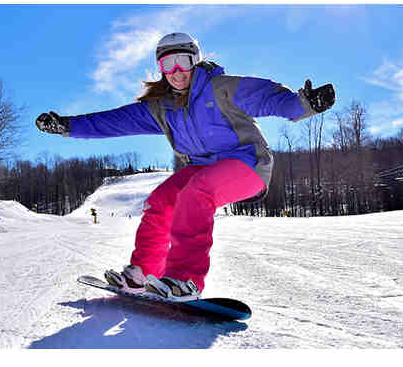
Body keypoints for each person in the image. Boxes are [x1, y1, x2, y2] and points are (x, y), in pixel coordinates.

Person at [36, 32, 335, 299]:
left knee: (196, 191)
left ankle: (185, 279)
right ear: (161, 69)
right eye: (168, 65)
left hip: (248, 164)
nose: (177, 71)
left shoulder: (220, 88)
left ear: (195, 61)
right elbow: (113, 121)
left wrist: (304, 104)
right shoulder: (161, 107)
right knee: (161, 201)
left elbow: (266, 97)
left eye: (183, 62)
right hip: (202, 168)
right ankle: (142, 273)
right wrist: (68, 125)